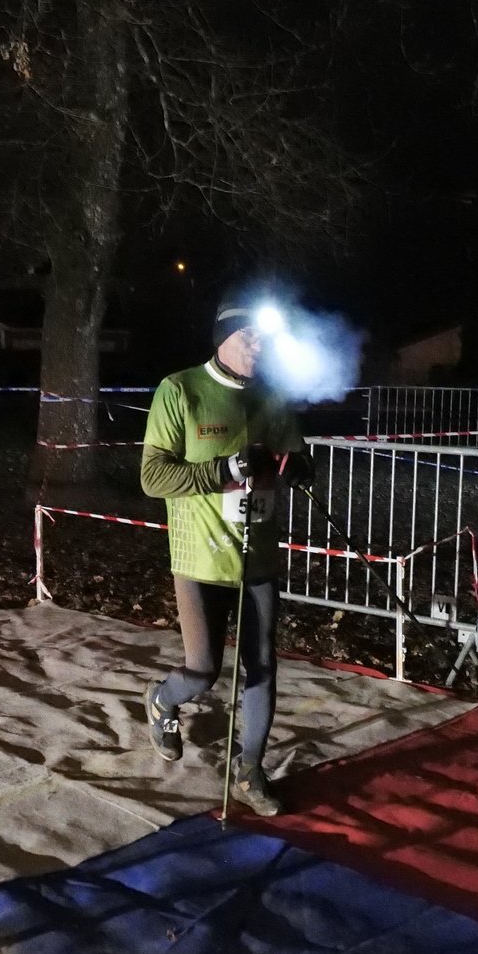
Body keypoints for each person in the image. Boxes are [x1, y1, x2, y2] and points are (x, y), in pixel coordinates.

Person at [137, 297, 313, 816]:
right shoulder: (180, 390)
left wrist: (298, 468)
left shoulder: (273, 397)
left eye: (265, 337)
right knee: (204, 670)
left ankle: (249, 771)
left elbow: (296, 456)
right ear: (224, 338)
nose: (259, 346)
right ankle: (162, 699)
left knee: (262, 666)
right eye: (249, 336)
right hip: (200, 559)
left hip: (257, 558)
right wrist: (225, 469)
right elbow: (152, 476)